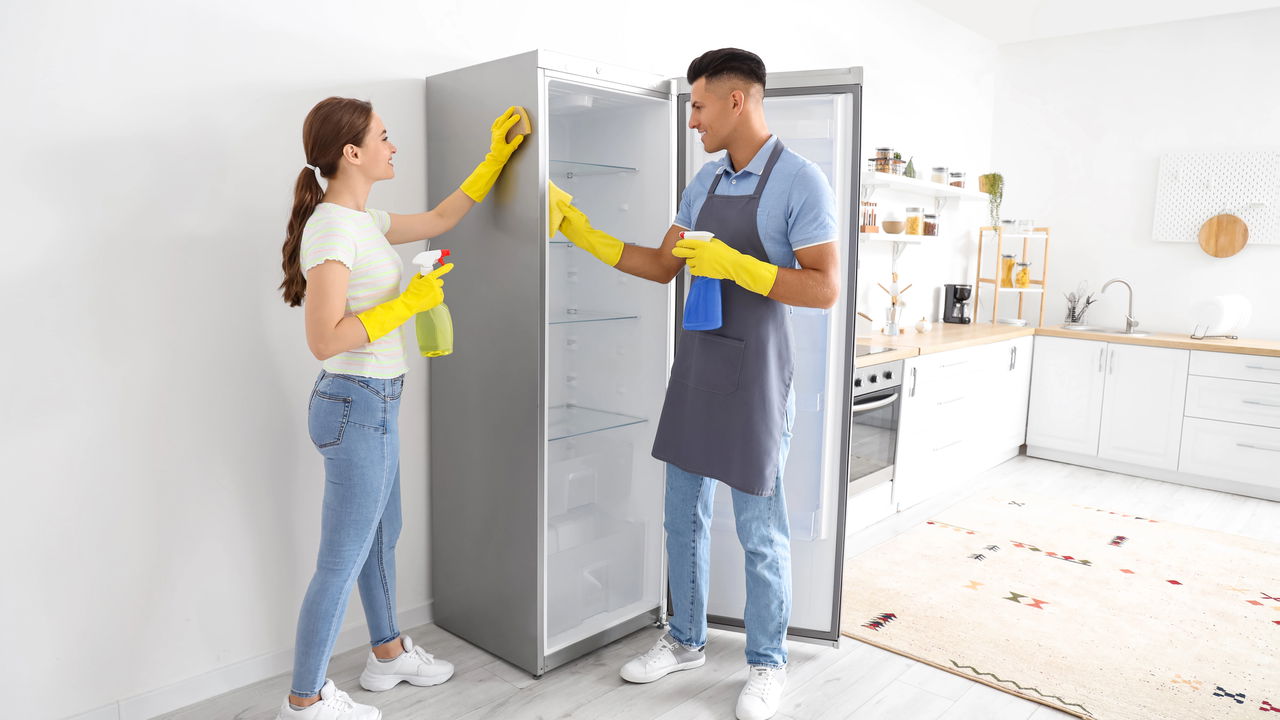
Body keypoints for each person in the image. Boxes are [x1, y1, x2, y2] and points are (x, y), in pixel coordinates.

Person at [554, 48, 839, 720]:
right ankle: (683, 640)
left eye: (700, 106)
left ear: (737, 101)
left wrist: (738, 264)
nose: (693, 121)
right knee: (680, 515)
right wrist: (581, 232)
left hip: (760, 379)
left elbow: (824, 288)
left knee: (758, 530)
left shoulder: (801, 181)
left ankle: (766, 665)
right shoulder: (705, 183)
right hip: (699, 369)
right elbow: (660, 265)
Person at [276, 97, 526, 720]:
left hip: (374, 403)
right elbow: (325, 338)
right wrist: (408, 305)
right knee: (342, 558)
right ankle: (304, 702)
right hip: (353, 403)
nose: (394, 146)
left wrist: (495, 157)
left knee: (383, 537)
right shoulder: (332, 226)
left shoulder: (364, 219)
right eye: (384, 138)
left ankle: (386, 655)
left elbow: (443, 215)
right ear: (351, 153)